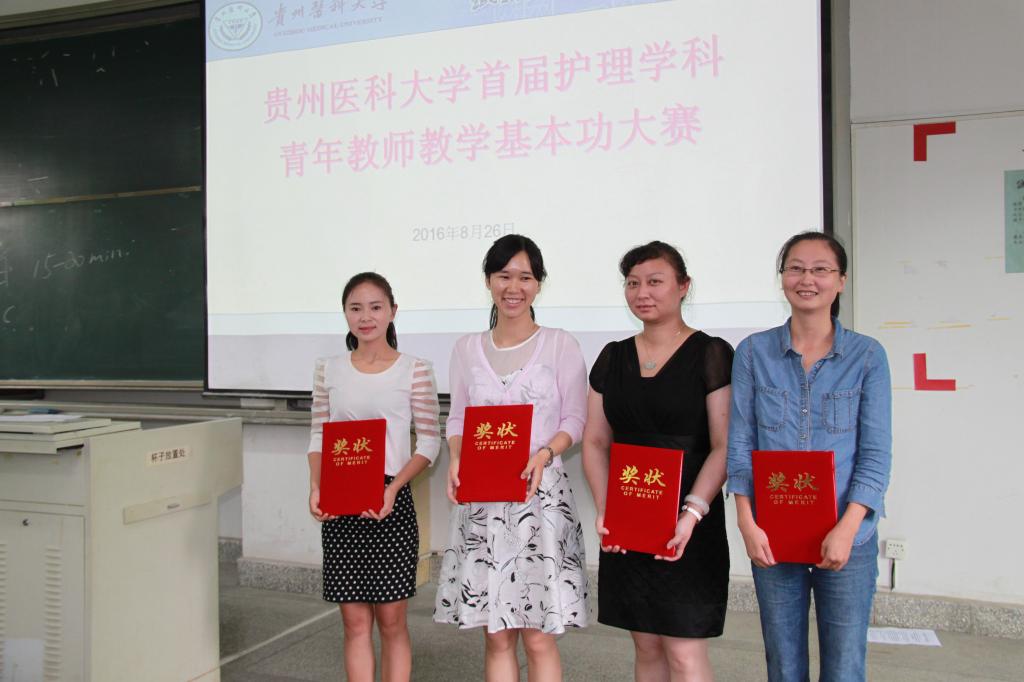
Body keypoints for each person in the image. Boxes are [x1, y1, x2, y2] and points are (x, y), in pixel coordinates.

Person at [726, 231, 892, 682]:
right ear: (782, 277)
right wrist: (747, 522)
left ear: (841, 281)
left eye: (821, 270)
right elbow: (741, 444)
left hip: (848, 534)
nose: (807, 279)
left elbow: (875, 455)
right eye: (796, 268)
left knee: (844, 667)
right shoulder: (753, 352)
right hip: (772, 535)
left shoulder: (867, 356)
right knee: (783, 665)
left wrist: (847, 528)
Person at [433, 234, 588, 682]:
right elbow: (458, 418)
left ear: (538, 284)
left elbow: (576, 419)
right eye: (504, 276)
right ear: (488, 281)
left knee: (538, 635)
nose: (513, 287)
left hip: (539, 500)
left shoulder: (559, 344)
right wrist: (456, 458)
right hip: (482, 503)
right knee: (496, 635)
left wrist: (546, 452)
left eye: (525, 277)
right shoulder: (466, 348)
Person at [582, 240, 732, 681]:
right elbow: (595, 441)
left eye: (655, 281)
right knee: (646, 646)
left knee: (684, 650)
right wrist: (607, 509)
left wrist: (692, 513)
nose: (642, 292)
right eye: (632, 283)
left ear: (683, 286)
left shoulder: (711, 353)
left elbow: (724, 445)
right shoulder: (612, 356)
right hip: (630, 522)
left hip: (689, 524)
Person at [307, 272, 441, 682]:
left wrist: (394, 488)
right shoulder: (328, 369)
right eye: (356, 308)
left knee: (392, 622)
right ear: (345, 314)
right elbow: (318, 435)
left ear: (392, 312)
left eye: (376, 307)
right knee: (354, 623)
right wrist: (317, 487)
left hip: (390, 502)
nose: (365, 317)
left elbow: (429, 443)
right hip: (341, 504)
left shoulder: (414, 369)